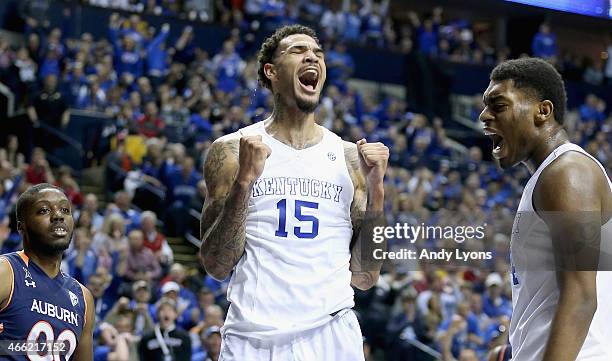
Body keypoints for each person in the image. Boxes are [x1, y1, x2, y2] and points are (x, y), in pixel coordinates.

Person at [199, 24, 389, 360]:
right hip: (253, 338)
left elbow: (365, 276)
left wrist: (377, 192)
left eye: (317, 53)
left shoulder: (350, 159)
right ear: (271, 72)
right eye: (298, 51)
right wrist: (244, 183)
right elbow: (216, 263)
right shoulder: (231, 151)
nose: (312, 57)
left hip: (332, 333)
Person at [479, 57, 612, 361]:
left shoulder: (568, 173)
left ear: (543, 111)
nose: (484, 116)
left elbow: (581, 298)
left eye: (498, 106)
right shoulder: (550, 177)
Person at [0, 183, 95, 360]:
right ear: (22, 227)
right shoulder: (7, 271)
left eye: (65, 210)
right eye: (44, 210)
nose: (58, 216)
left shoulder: (83, 297)